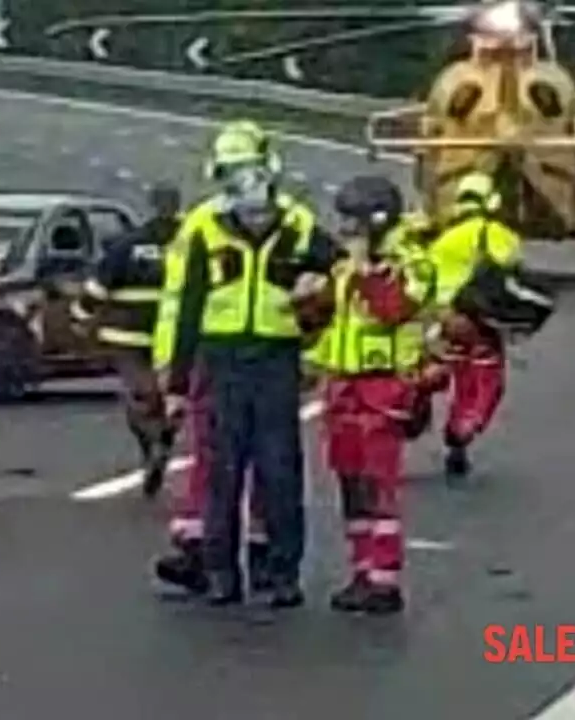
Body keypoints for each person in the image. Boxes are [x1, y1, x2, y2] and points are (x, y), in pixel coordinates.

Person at [154, 120, 339, 607]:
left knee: (279, 472)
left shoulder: (298, 225)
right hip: (222, 360)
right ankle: (221, 573)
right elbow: (185, 304)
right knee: (221, 473)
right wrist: (175, 380)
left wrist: (314, 317)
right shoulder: (204, 227)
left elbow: (339, 278)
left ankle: (279, 574)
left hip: (276, 359)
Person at [309, 175, 437, 614]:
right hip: (344, 382)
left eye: (353, 222)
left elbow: (394, 309)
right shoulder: (347, 263)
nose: (346, 231)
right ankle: (361, 568)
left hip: (384, 384)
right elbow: (332, 317)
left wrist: (368, 272)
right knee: (349, 478)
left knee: (378, 480)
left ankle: (385, 575)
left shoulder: (412, 262)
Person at [71, 183, 183, 497]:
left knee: (139, 395)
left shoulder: (129, 245)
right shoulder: (192, 242)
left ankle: (152, 445)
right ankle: (164, 438)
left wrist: (80, 318)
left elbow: (97, 288)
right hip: (175, 335)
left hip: (128, 335)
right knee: (173, 393)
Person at [425, 171, 524, 483]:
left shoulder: (442, 238)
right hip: (476, 324)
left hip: (440, 322)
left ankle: (407, 415)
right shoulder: (493, 233)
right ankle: (461, 432)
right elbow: (510, 263)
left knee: (440, 373)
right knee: (482, 383)